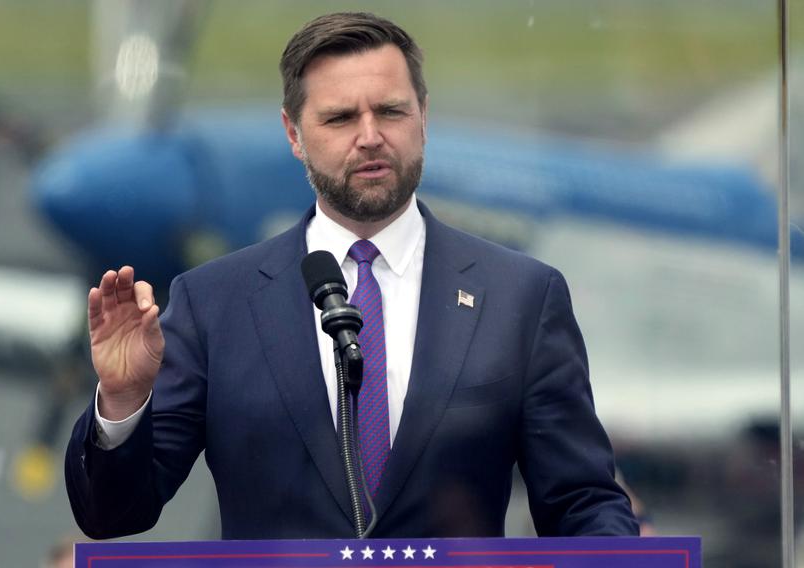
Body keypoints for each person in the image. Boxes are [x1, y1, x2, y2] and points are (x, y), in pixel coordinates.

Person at [65, 12, 639, 539]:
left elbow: (581, 501)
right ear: (293, 135)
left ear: (423, 117)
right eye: (340, 118)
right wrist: (122, 402)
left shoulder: (521, 297)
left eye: (390, 111)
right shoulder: (213, 303)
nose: (370, 136)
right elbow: (113, 514)